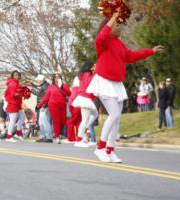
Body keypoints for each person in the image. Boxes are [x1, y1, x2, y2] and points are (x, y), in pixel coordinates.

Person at [86, 9, 164, 162]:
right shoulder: (103, 42)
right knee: (114, 114)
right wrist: (113, 15)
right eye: (116, 25)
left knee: (117, 118)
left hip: (116, 84)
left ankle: (110, 150)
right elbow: (101, 36)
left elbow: (132, 56)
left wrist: (151, 51)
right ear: (108, 28)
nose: (119, 27)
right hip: (104, 82)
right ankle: (100, 148)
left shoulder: (119, 43)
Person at [37, 72, 71, 144]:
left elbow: (69, 93)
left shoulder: (64, 86)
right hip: (53, 106)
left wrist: (62, 86)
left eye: (58, 77)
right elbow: (46, 97)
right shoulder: (51, 87)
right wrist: (39, 105)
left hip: (62, 106)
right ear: (53, 78)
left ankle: (57, 135)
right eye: (56, 77)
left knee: (63, 122)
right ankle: (57, 137)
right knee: (56, 121)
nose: (57, 78)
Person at [72, 61, 98, 148]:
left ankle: (84, 130)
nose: (94, 67)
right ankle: (78, 140)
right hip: (85, 98)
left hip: (85, 98)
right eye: (93, 66)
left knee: (95, 114)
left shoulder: (84, 74)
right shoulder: (87, 74)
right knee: (85, 120)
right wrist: (95, 73)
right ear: (89, 67)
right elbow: (89, 83)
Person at [4, 70, 29, 142]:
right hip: (13, 104)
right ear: (13, 76)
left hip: (17, 104)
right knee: (13, 120)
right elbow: (14, 94)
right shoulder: (13, 83)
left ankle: (17, 134)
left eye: (18, 75)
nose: (17, 76)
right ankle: (8, 137)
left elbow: (17, 88)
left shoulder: (15, 82)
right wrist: (23, 93)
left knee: (22, 117)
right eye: (15, 75)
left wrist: (23, 85)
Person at [32, 74, 53, 143]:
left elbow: (48, 97)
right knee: (41, 123)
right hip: (42, 106)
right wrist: (31, 89)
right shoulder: (43, 85)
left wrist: (44, 106)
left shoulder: (46, 86)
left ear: (41, 80)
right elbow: (40, 94)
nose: (37, 81)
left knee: (45, 122)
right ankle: (43, 136)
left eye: (37, 80)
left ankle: (49, 137)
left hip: (44, 106)